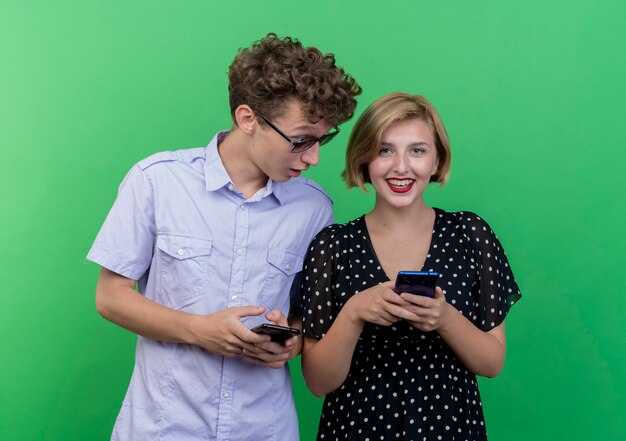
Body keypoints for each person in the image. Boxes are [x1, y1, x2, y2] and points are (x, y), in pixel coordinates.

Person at [87, 33, 361, 440]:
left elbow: (306, 316)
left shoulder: (314, 207)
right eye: (301, 139)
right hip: (164, 427)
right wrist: (198, 329)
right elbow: (110, 297)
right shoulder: (157, 181)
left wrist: (292, 342)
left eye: (323, 140)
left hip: (263, 428)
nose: (314, 157)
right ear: (248, 118)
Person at [300, 92, 521, 440]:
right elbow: (317, 381)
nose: (400, 166)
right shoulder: (332, 246)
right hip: (356, 429)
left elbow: (491, 363)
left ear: (436, 161)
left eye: (417, 150)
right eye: (384, 149)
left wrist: (445, 318)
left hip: (450, 429)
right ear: (364, 160)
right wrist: (355, 312)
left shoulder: (470, 234)